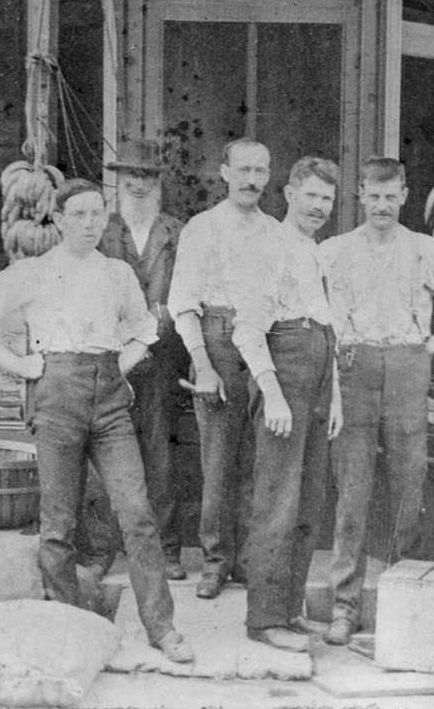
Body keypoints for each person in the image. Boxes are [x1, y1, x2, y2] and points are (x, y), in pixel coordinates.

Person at [0, 178, 194, 665]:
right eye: (77, 215)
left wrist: (115, 370)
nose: (88, 224)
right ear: (58, 221)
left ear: (106, 220)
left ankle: (162, 628)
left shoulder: (118, 273)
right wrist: (20, 366)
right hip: (55, 394)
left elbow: (145, 330)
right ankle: (68, 628)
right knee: (59, 524)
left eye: (96, 215)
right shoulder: (32, 273)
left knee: (137, 514)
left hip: (109, 402)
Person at [317, 157, 434, 647]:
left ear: (404, 196)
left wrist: (427, 349)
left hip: (407, 366)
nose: (381, 205)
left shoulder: (423, 249)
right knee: (352, 492)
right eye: (372, 196)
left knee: (409, 485)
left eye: (390, 196)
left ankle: (399, 593)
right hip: (353, 366)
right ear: (360, 197)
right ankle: (344, 606)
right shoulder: (332, 251)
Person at [234, 157, 344, 652]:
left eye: (328, 199)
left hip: (318, 382)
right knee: (277, 503)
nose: (319, 207)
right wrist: (274, 395)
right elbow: (248, 331)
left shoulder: (313, 251)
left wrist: (334, 396)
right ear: (289, 194)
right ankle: (264, 619)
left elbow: (326, 331)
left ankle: (291, 609)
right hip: (286, 379)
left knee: (308, 502)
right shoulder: (267, 247)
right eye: (311, 196)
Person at [167, 137, 274, 600]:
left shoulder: (275, 233)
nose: (252, 180)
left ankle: (250, 560)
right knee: (218, 460)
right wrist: (203, 364)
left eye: (261, 171)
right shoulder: (202, 229)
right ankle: (215, 560)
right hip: (217, 337)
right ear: (224, 172)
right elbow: (182, 303)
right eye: (244, 170)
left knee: (258, 458)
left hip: (267, 343)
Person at [98, 138, 188, 579]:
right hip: (112, 359)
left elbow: (188, 292)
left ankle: (167, 550)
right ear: (118, 179)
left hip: (161, 357)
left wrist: (165, 319)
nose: (138, 183)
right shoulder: (100, 230)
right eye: (130, 174)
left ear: (158, 182)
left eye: (147, 175)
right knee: (109, 452)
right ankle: (107, 549)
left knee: (159, 453)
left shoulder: (176, 232)